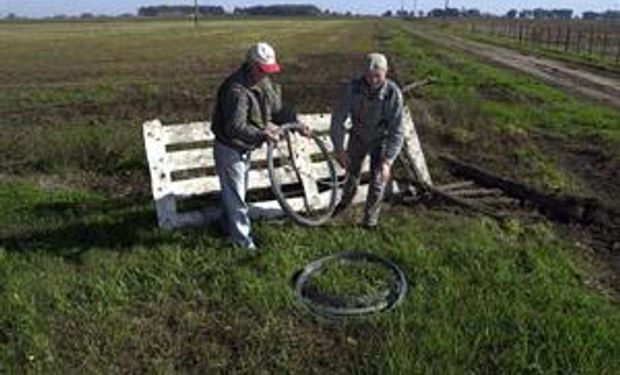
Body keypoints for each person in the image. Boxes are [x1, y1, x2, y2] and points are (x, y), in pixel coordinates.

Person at [211, 42, 303, 250]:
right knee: (236, 197)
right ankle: (242, 243)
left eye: (268, 70)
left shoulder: (263, 82)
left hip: (244, 147)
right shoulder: (236, 90)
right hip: (230, 148)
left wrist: (298, 124)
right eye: (262, 70)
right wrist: (262, 134)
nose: (265, 75)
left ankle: (226, 227)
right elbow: (235, 127)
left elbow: (278, 109)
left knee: (235, 193)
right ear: (251, 64)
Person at [330, 53, 405, 227]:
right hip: (358, 134)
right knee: (352, 173)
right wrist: (340, 150)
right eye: (369, 75)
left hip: (381, 138)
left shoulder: (393, 94)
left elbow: (397, 130)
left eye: (378, 76)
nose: (373, 80)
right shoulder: (352, 88)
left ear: (386, 72)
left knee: (378, 179)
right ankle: (344, 203)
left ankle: (370, 221)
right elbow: (338, 119)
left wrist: (388, 161)